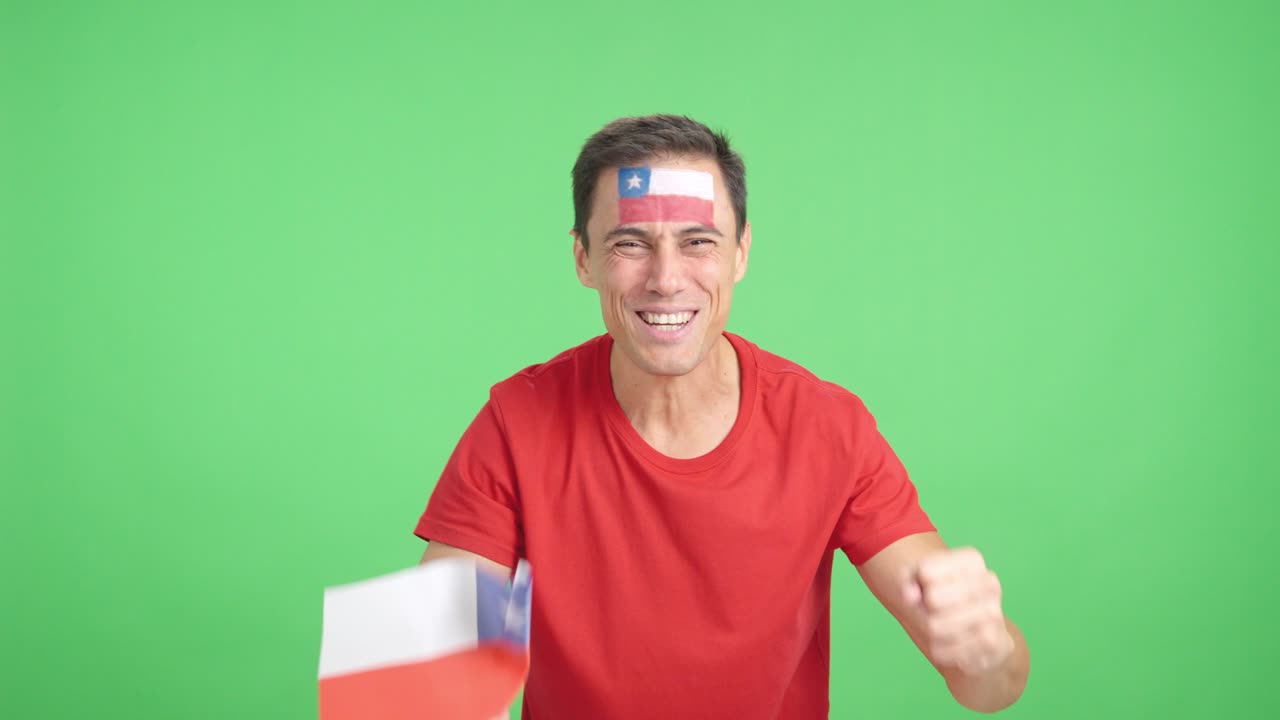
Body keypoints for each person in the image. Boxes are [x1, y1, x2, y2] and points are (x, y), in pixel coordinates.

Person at [415, 114, 1030, 719]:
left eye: (698, 242)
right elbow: (438, 675)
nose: (666, 279)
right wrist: (440, 690)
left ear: (740, 253)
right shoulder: (516, 423)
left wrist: (984, 651)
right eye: (630, 244)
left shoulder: (827, 427)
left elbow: (989, 690)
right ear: (583, 259)